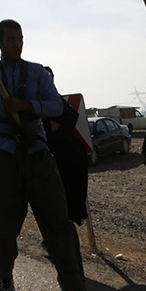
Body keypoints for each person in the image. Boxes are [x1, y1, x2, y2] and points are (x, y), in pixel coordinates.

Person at [0, 0, 85, 291]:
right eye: (11, 39)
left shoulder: (37, 72)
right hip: (5, 157)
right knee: (1, 225)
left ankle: (74, 286)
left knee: (59, 225)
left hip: (38, 155)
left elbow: (56, 106)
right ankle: (5, 275)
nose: (17, 44)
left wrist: (25, 105)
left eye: (20, 38)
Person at [43, 66, 89, 226]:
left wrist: (59, 122)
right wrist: (49, 125)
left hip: (66, 152)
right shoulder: (34, 99)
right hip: (47, 153)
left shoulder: (55, 98)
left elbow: (71, 116)